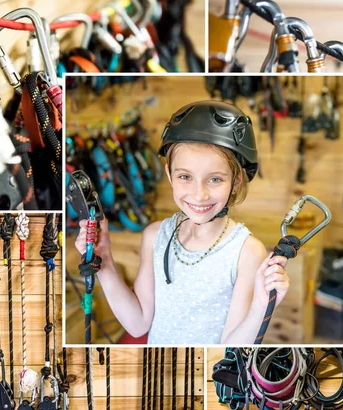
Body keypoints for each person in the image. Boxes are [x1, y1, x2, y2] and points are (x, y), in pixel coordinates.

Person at [75, 100, 290, 344]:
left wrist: (260, 307)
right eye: (185, 176)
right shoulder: (155, 236)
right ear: (169, 175)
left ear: (237, 180)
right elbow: (137, 324)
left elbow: (230, 349)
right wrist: (104, 261)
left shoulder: (246, 252)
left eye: (215, 179)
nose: (199, 194)